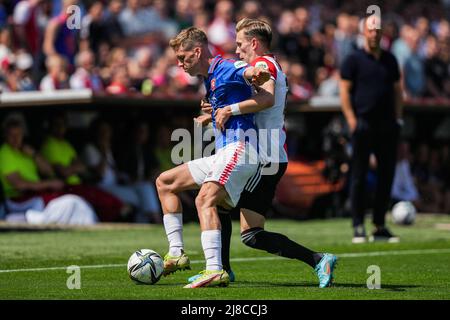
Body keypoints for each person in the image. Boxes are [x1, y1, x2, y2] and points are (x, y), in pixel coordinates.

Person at [190, 18, 338, 288]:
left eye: (240, 44)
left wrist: (228, 110)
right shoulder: (269, 65)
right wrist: (217, 110)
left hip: (264, 157)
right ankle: (316, 260)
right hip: (267, 155)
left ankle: (219, 269)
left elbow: (266, 98)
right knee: (244, 226)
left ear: (254, 43)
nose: (237, 50)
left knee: (220, 203)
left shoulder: (263, 65)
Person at [156, 26, 271, 288]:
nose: (180, 64)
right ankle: (176, 253)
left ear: (197, 52)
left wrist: (258, 72)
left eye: (183, 58)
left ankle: (215, 270)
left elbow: (247, 71)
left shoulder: (225, 68)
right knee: (165, 182)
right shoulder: (210, 78)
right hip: (225, 152)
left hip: (241, 148)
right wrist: (212, 113)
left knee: (204, 199)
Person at [339, 15, 403, 243]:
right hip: (363, 123)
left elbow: (397, 90)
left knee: (387, 175)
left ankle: (379, 225)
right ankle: (358, 225)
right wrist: (352, 120)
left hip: (387, 124)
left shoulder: (390, 59)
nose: (374, 34)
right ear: (364, 32)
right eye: (371, 30)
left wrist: (398, 118)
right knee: (358, 175)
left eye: (378, 30)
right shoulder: (353, 59)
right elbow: (344, 91)